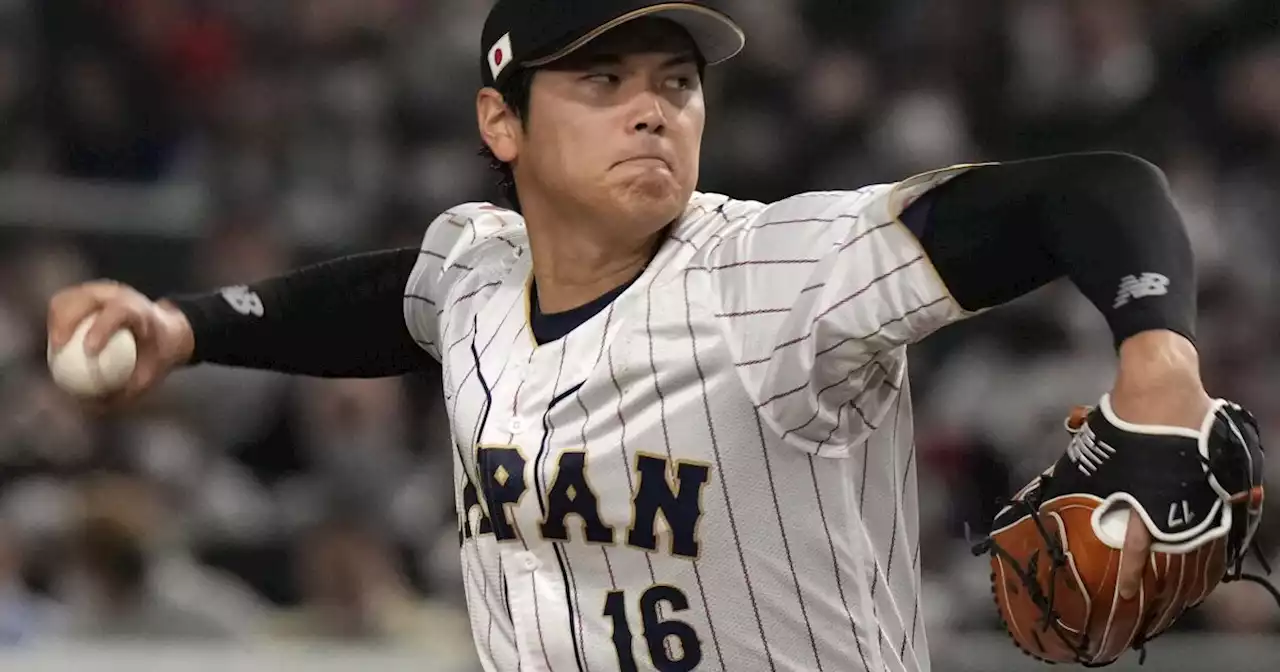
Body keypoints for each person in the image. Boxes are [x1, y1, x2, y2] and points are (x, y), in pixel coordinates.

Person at [45, 1, 1229, 670]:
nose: (652, 106)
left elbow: (1089, 188)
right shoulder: (477, 266)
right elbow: (386, 299)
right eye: (601, 80)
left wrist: (1155, 350)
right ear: (499, 124)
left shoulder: (774, 272)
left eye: (674, 81)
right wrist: (182, 327)